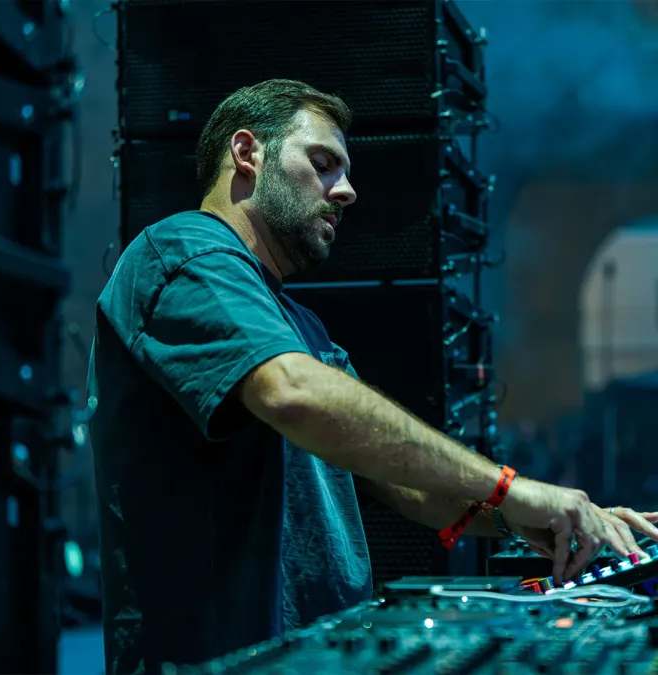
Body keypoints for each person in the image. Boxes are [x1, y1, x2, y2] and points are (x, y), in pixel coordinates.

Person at [87, 79, 658, 674]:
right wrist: (511, 488)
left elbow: (409, 488)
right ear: (247, 153)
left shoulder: (301, 326)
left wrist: (537, 518)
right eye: (323, 163)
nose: (348, 191)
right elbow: (293, 394)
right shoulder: (184, 250)